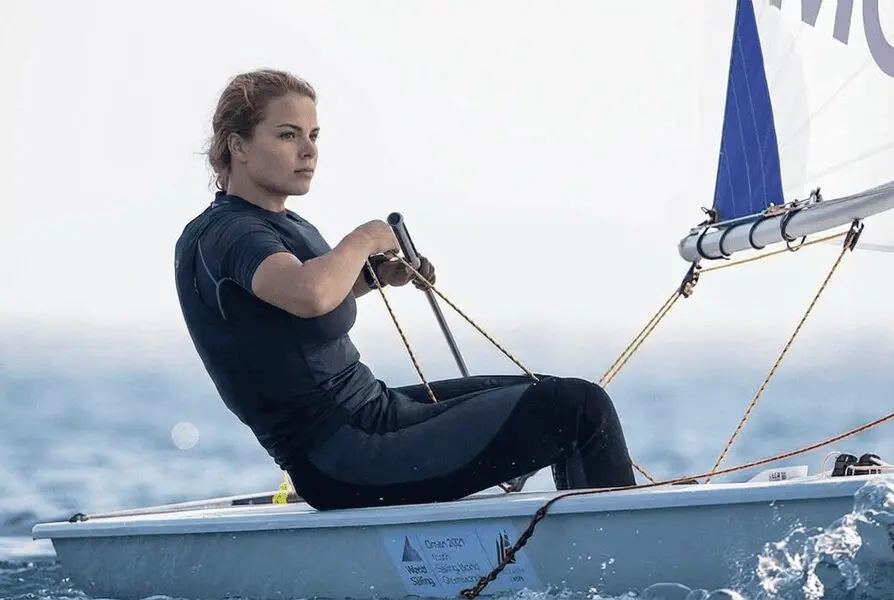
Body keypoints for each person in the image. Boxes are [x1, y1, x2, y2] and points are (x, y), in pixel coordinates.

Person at [174, 68, 637, 511]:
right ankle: (617, 556)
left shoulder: (280, 224)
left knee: (553, 393)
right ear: (239, 146)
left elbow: (292, 310)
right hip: (345, 456)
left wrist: (375, 276)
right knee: (579, 411)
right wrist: (366, 237)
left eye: (314, 136)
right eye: (288, 135)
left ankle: (590, 541)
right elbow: (309, 295)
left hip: (375, 415)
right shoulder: (231, 233)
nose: (308, 151)